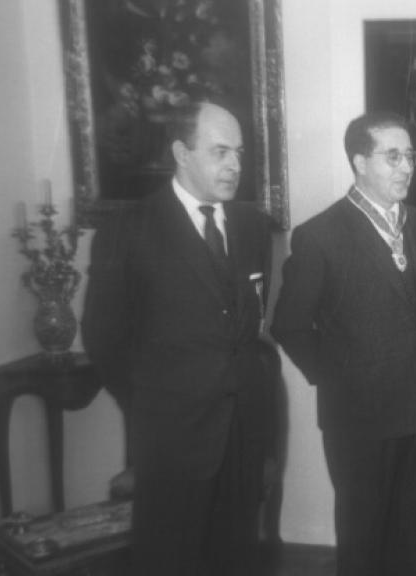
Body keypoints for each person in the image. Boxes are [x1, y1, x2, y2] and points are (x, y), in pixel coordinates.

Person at [82, 100, 275, 576]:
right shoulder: (129, 227)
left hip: (243, 432)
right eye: (220, 151)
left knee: (237, 556)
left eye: (239, 153)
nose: (235, 164)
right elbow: (103, 336)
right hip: (171, 439)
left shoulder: (252, 225)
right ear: (181, 153)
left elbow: (246, 323)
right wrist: (151, 405)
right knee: (172, 560)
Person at [271, 112, 416, 576]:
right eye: (393, 156)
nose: (406, 166)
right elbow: (288, 325)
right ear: (359, 162)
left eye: (410, 155)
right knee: (365, 543)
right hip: (360, 418)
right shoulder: (321, 236)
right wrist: (341, 377)